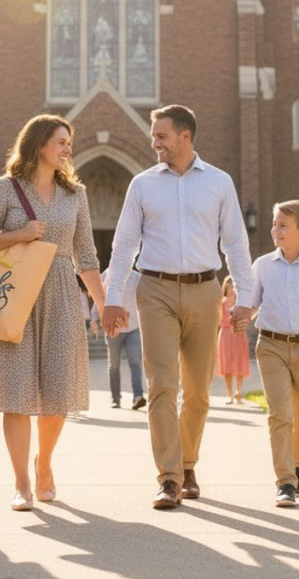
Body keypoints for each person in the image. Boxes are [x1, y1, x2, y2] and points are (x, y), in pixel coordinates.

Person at [102, 104, 253, 510]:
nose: (154, 143)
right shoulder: (142, 185)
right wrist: (113, 299)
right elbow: (124, 245)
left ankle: (187, 465)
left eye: (161, 136)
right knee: (162, 384)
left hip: (205, 290)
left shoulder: (219, 183)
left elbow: (235, 243)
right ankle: (168, 478)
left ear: (185, 136)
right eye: (154, 136)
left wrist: (245, 298)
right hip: (155, 290)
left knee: (199, 391)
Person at [0, 114, 105, 511]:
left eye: (69, 142)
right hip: (14, 294)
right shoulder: (5, 188)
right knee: (15, 392)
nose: (68, 149)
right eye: (61, 141)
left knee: (58, 392)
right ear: (39, 144)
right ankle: (21, 483)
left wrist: (103, 303)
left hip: (61, 293)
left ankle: (43, 461)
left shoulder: (75, 194)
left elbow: (86, 255)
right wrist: (20, 234)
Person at [243, 200, 299, 509]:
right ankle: (285, 482)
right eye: (274, 224)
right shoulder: (263, 265)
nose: (275, 230)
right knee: (280, 414)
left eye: (283, 225)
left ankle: (297, 464)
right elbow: (252, 304)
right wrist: (240, 316)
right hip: (270, 346)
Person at [99, 268, 146, 410]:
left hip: (134, 327)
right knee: (114, 365)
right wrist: (96, 317)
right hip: (113, 327)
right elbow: (98, 297)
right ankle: (115, 399)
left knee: (135, 361)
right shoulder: (106, 275)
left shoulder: (137, 277)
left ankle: (138, 396)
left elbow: (146, 298)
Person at [217, 276, 250, 404]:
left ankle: (238, 392)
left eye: (234, 286)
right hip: (225, 334)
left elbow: (246, 318)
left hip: (239, 334)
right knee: (227, 365)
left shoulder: (240, 303)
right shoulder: (221, 302)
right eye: (230, 286)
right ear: (226, 287)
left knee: (240, 362)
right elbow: (219, 320)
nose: (232, 288)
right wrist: (227, 321)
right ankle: (229, 394)